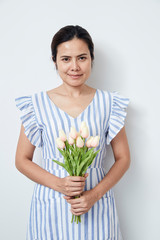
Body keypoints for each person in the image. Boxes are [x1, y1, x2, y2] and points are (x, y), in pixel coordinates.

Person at [15, 25, 130, 240]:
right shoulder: (36, 104)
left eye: (82, 58)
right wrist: (59, 183)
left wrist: (94, 195)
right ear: (55, 60)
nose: (74, 66)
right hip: (50, 206)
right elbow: (22, 160)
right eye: (66, 59)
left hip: (97, 205)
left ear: (91, 58)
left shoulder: (109, 103)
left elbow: (123, 158)